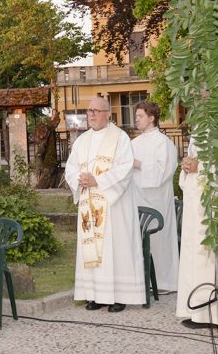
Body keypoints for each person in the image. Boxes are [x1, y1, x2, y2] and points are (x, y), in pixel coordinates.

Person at [65, 96, 146, 312]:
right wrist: (79, 180)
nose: (91, 114)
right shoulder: (81, 140)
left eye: (96, 111)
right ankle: (96, 295)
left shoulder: (120, 138)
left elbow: (125, 168)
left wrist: (98, 181)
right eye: (89, 110)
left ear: (107, 114)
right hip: (88, 205)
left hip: (114, 207)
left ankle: (119, 296)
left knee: (115, 249)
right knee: (92, 249)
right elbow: (71, 167)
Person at [177, 138, 218, 329]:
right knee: (195, 254)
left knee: (212, 255)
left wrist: (202, 165)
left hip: (214, 201)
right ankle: (200, 312)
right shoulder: (199, 125)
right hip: (196, 199)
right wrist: (187, 164)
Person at [131, 101, 179, 292]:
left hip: (158, 199)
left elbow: (164, 171)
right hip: (137, 196)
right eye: (136, 116)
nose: (137, 119)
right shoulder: (133, 143)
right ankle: (143, 280)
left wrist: (140, 164)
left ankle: (165, 281)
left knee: (159, 241)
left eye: (140, 116)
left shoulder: (163, 143)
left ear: (151, 118)